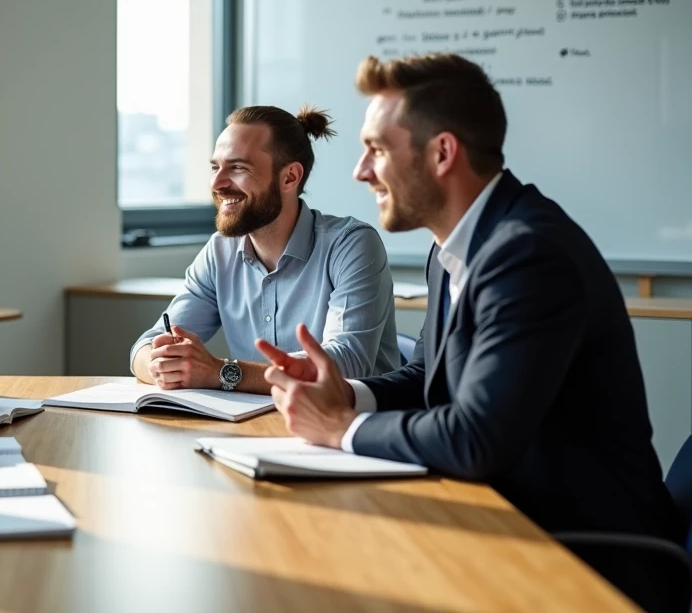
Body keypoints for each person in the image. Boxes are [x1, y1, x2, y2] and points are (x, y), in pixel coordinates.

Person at [258, 53, 682, 611]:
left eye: (378, 150)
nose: (360, 171)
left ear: (442, 153)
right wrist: (349, 392)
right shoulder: (454, 247)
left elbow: (475, 438)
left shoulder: (527, 253)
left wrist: (342, 427)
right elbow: (429, 376)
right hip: (500, 521)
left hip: (583, 558)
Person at [130, 105, 399, 394]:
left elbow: (347, 362)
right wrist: (160, 364)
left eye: (237, 167)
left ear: (289, 178)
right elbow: (146, 346)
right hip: (258, 425)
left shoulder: (351, 244)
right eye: (214, 167)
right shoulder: (219, 252)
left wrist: (222, 372)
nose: (217, 183)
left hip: (355, 427)